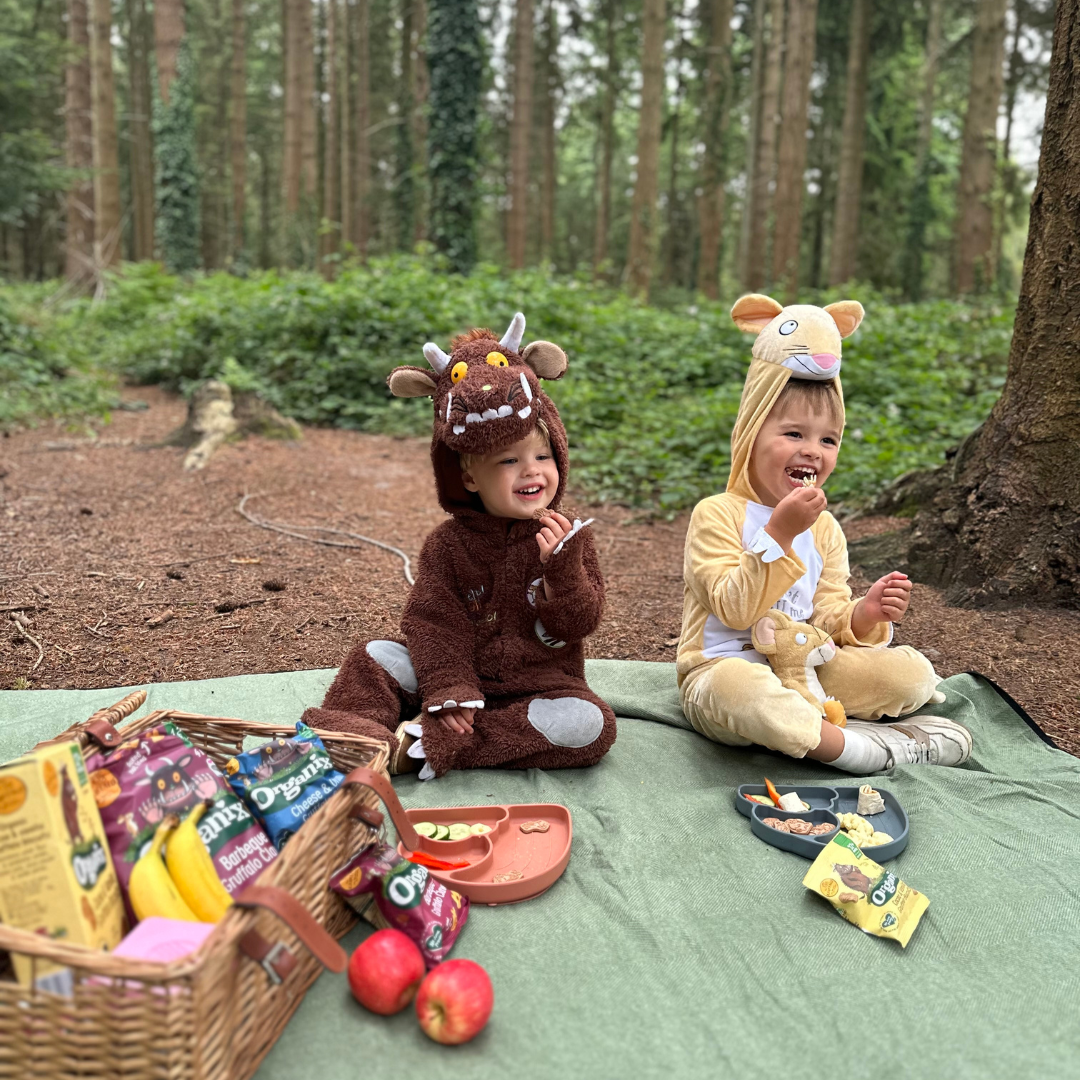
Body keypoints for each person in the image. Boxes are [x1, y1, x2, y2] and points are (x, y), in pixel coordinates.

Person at [303, 313, 616, 780]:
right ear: (468, 477)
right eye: (508, 461)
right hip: (451, 673)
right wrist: (449, 688)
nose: (531, 471)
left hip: (536, 688)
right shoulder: (447, 546)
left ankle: (431, 745)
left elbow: (579, 624)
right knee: (375, 655)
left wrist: (561, 572)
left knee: (590, 726)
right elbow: (432, 621)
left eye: (542, 457)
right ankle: (353, 737)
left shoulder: (569, 537)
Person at [677, 294, 972, 774]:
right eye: (794, 434)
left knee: (910, 674)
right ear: (751, 434)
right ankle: (857, 750)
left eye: (827, 439)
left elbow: (828, 617)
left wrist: (864, 614)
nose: (812, 451)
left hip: (806, 667)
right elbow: (734, 609)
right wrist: (778, 535)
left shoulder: (826, 528)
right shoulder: (717, 514)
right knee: (744, 691)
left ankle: (822, 724)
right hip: (722, 671)